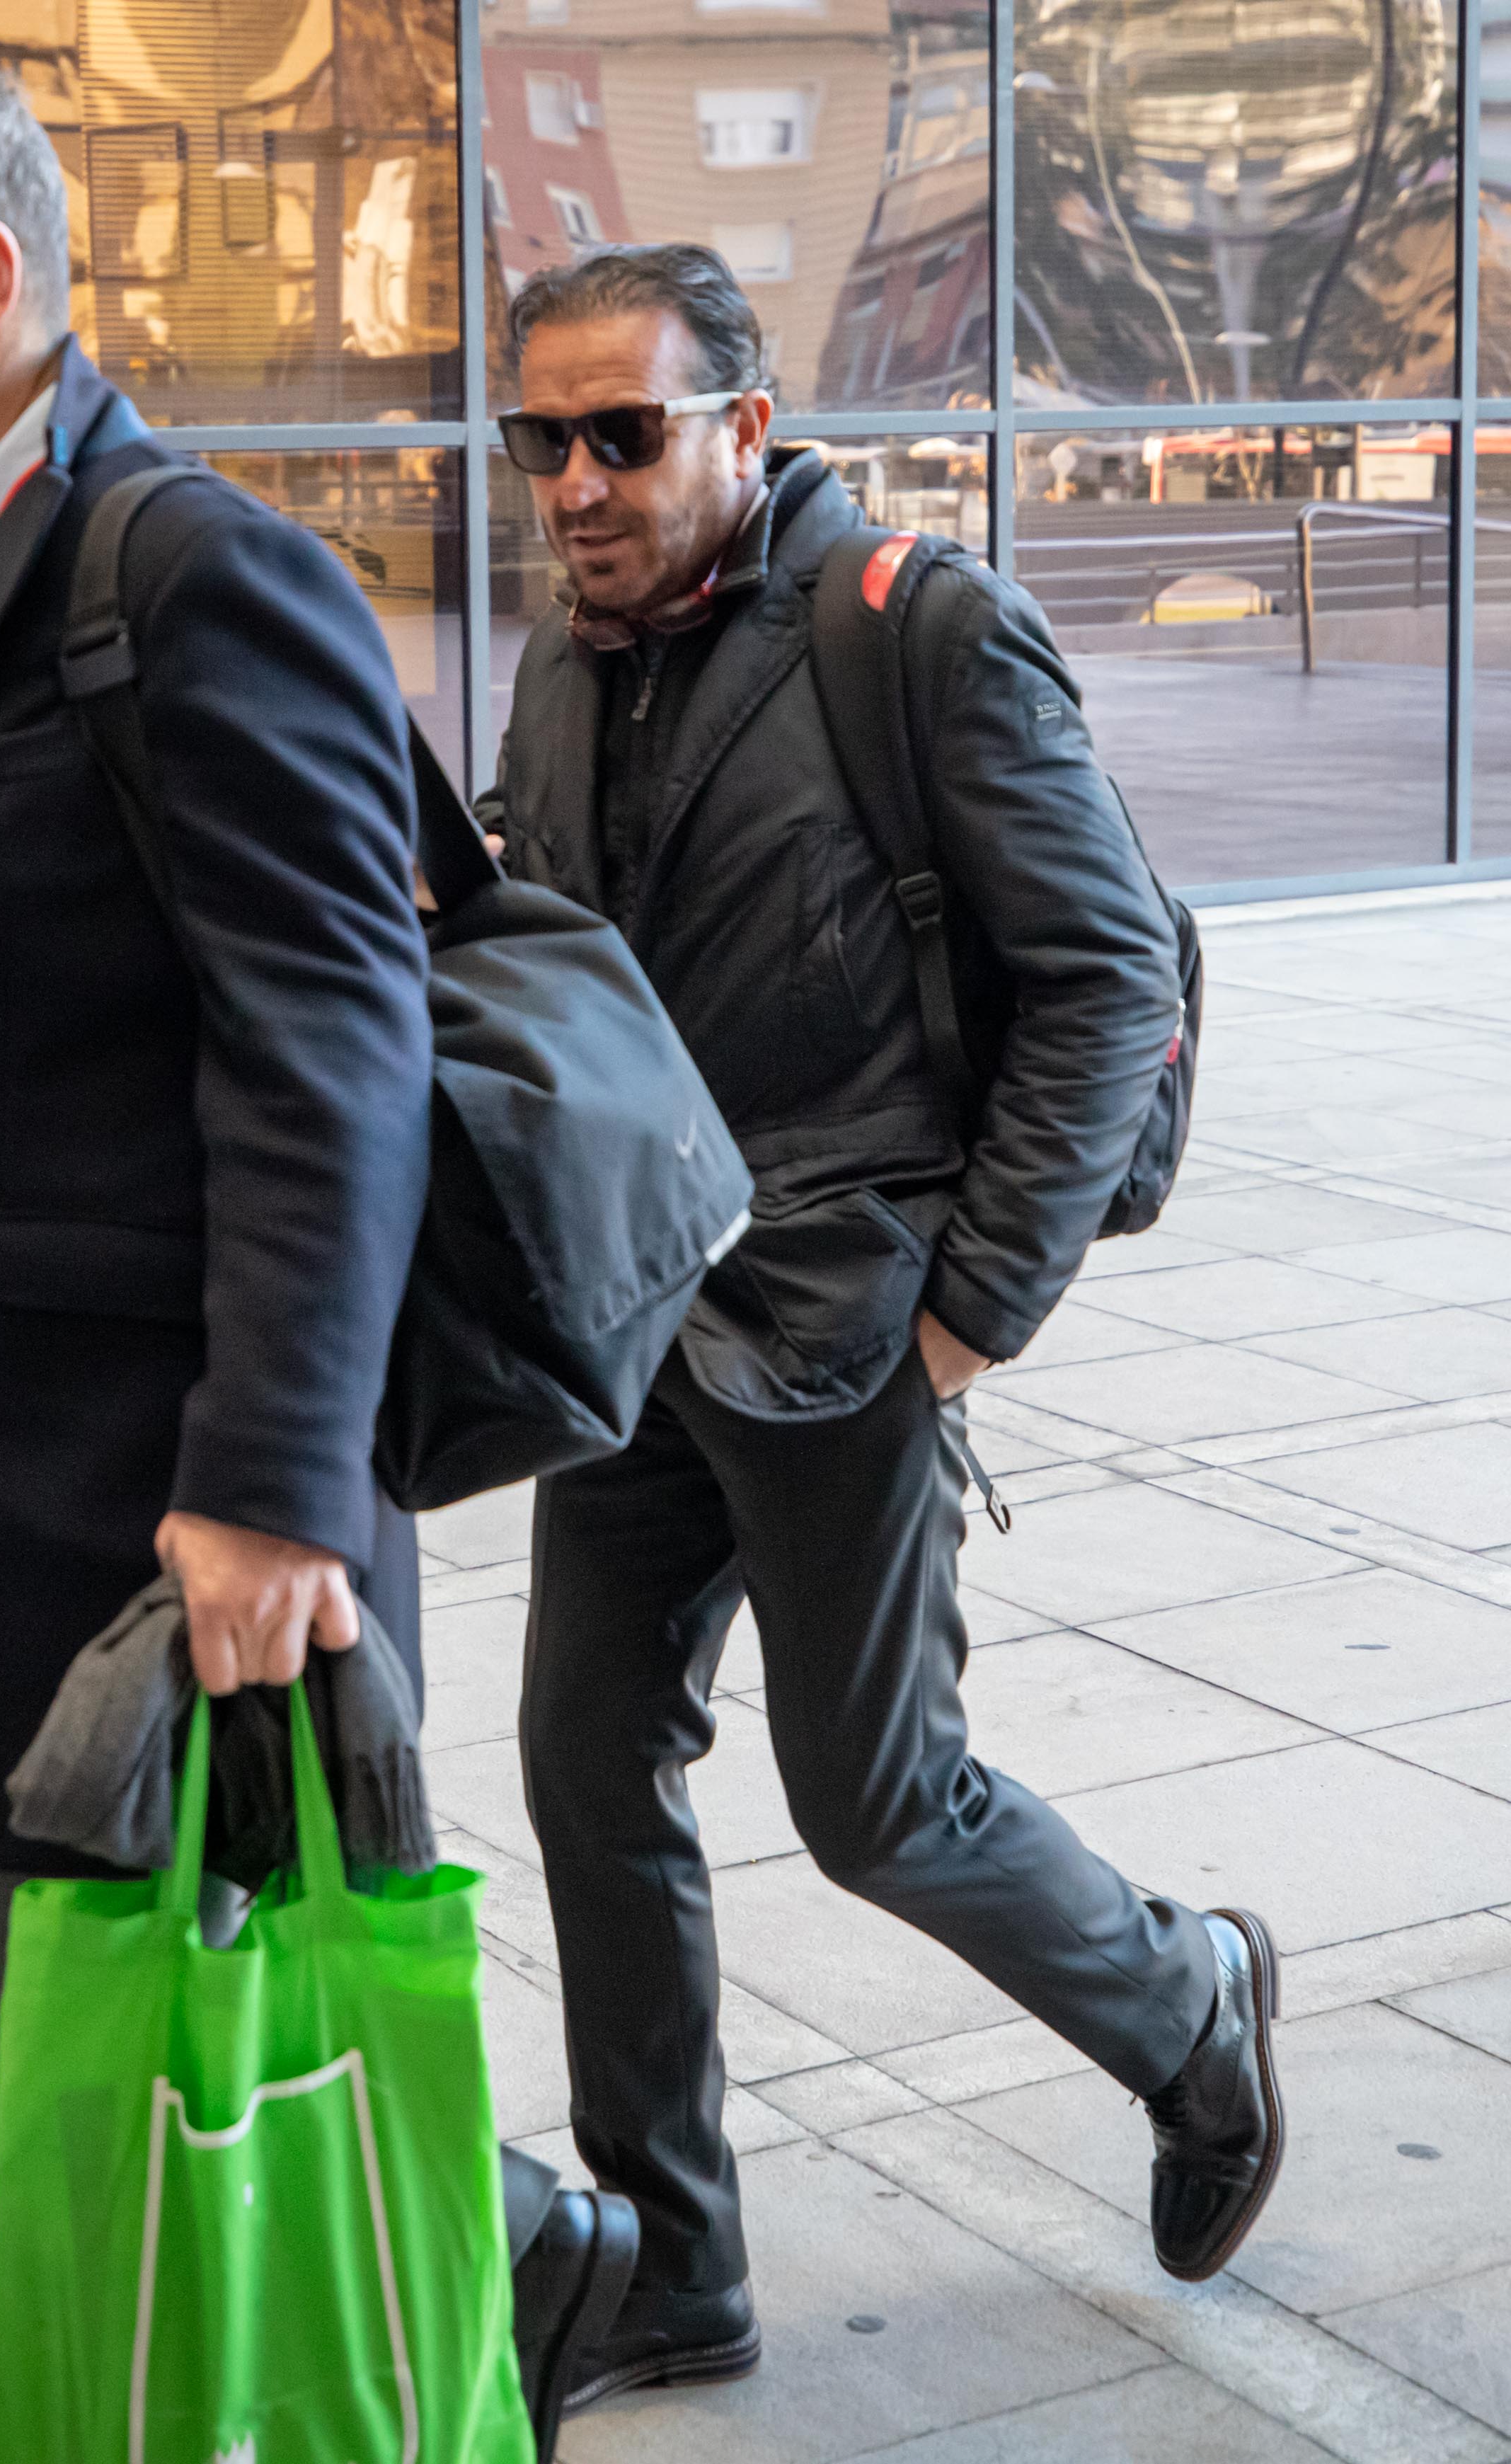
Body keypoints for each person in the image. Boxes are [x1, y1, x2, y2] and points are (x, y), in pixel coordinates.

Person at [0, 52, 630, 2453]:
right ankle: (523, 2230)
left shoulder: (190, 577)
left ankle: (471, 2264)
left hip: (160, 1502)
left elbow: (334, 1046)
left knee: (75, 2110)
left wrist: (283, 1487)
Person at [479, 243, 1284, 2412]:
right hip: (630, 1330)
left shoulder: (913, 628)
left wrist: (970, 1314)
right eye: (534, 438)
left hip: (850, 1323)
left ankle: (1190, 2002)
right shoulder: (562, 667)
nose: (570, 481)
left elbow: (1110, 974)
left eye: (620, 432)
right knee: (580, 1762)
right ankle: (660, 2258)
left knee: (879, 1801)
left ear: (744, 422)